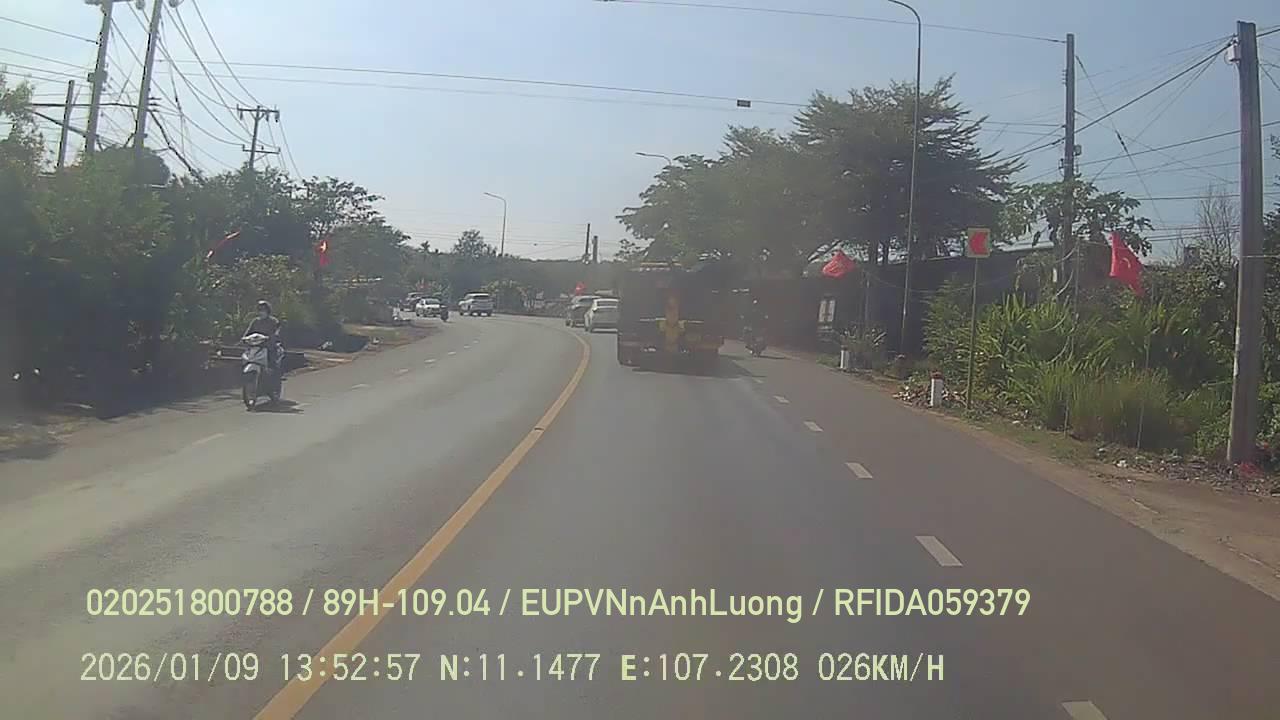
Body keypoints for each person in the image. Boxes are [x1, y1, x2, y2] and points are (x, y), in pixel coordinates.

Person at [244, 300, 282, 370]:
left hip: (268, 346)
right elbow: (248, 332)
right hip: (255, 346)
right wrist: (244, 338)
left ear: (268, 311)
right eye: (259, 310)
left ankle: (273, 371)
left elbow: (277, 333)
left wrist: (269, 337)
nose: (261, 312)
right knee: (245, 357)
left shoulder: (274, 321)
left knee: (272, 359)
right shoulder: (255, 321)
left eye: (263, 310)